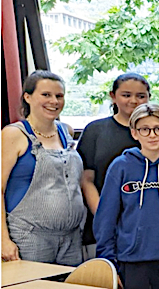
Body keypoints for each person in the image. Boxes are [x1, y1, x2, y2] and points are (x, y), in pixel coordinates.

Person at [93, 103, 159, 288]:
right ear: (134, 133)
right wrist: (108, 261)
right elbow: (106, 218)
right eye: (145, 129)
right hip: (130, 259)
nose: (152, 135)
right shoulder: (120, 166)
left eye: (158, 129)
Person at [77, 73, 159, 255]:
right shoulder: (95, 131)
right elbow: (86, 180)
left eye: (141, 96)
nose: (134, 101)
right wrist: (105, 218)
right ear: (113, 96)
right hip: (105, 227)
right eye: (126, 95)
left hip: (153, 227)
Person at [1, 71, 85, 265]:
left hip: (70, 239)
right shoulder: (13, 134)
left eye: (59, 96)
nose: (53, 101)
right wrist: (3, 240)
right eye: (46, 95)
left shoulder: (66, 131)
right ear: (27, 97)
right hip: (29, 239)